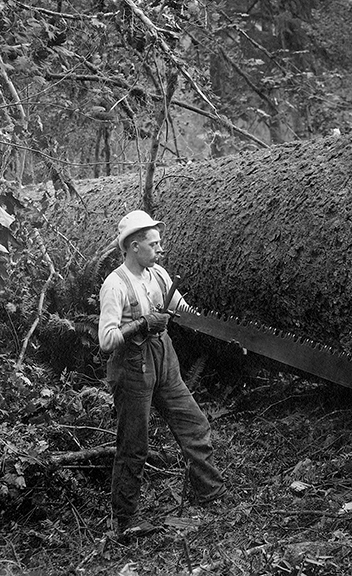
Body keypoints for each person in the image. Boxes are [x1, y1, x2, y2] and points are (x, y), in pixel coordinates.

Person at [98, 209, 226, 539]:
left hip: (163, 357)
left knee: (193, 422)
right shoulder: (115, 285)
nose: (159, 249)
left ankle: (208, 491)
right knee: (134, 444)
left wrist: (222, 329)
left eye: (159, 244)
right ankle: (124, 520)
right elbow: (106, 340)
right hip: (131, 364)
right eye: (154, 244)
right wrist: (141, 323)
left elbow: (182, 309)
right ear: (134, 246)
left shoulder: (159, 275)